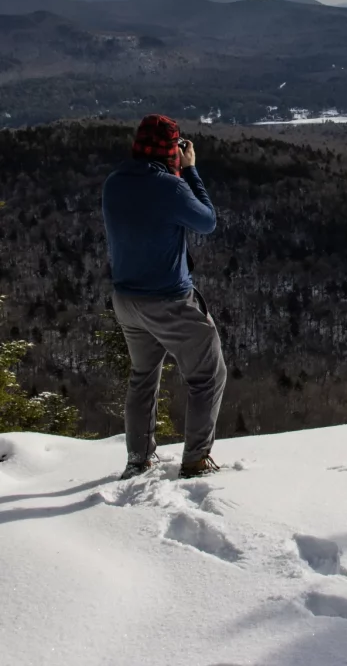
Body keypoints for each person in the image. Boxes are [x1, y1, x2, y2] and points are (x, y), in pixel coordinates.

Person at [102, 114, 227, 480]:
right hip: (169, 300)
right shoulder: (170, 187)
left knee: (143, 375)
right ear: (172, 149)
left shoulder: (113, 183)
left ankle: (138, 459)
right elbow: (207, 221)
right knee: (207, 375)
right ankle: (196, 460)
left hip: (126, 300)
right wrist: (190, 171)